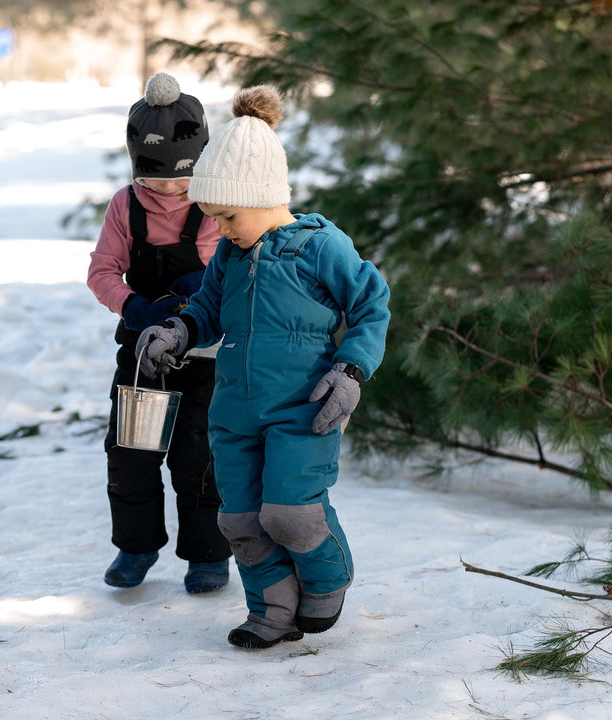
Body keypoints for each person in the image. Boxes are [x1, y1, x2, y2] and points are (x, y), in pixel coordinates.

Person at [135, 84, 391, 649]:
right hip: (235, 411)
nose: (220, 231)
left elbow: (372, 305)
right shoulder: (231, 253)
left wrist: (351, 371)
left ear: (259, 195)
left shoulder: (321, 247)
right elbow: (206, 307)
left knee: (292, 516)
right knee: (242, 523)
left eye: (226, 217)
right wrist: (179, 331)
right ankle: (271, 611)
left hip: (305, 406)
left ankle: (328, 579)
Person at [87, 72, 231, 594]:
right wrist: (134, 307)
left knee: (200, 456)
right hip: (145, 352)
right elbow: (101, 272)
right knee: (132, 451)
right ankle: (136, 547)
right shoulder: (125, 205)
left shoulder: (216, 203)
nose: (170, 191)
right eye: (156, 181)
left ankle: (208, 556)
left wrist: (189, 300)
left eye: (181, 180)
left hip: (206, 354)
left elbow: (227, 276)